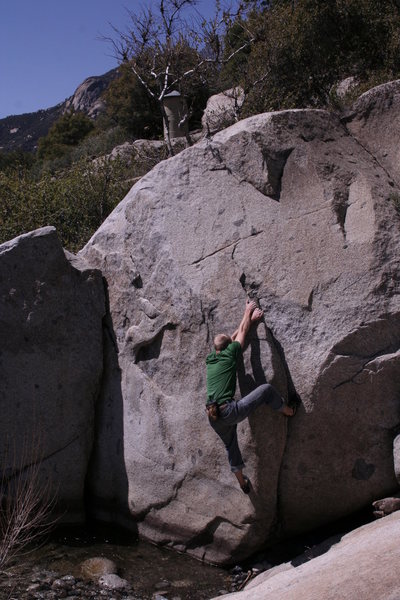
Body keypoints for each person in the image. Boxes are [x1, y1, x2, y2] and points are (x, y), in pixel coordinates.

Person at [205, 298, 295, 493]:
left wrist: (249, 320)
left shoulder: (212, 358)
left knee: (231, 446)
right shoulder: (231, 353)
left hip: (213, 416)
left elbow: (233, 337)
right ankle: (288, 410)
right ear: (228, 348)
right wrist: (248, 313)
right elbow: (242, 335)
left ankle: (242, 484)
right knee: (266, 390)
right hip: (229, 411)